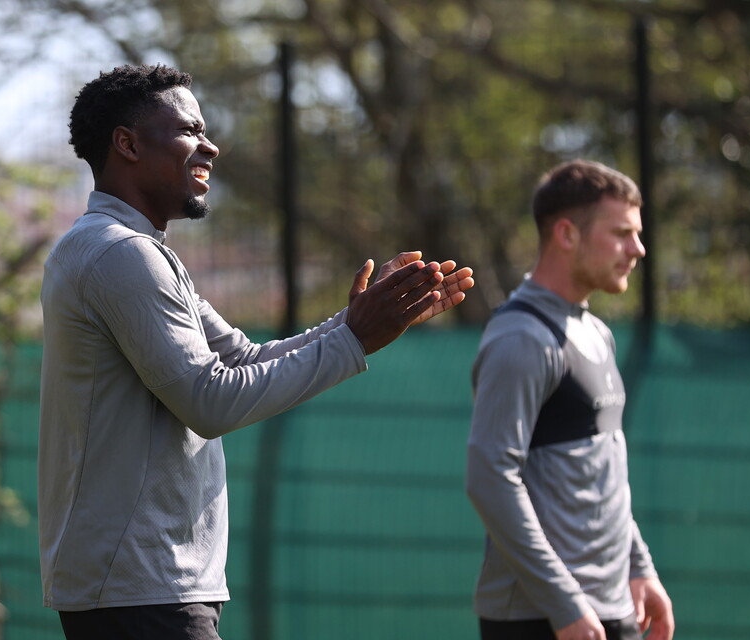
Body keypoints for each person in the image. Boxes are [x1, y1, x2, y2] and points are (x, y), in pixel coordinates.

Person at [38, 63, 474, 640]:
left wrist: (358, 322)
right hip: (139, 588)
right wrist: (354, 338)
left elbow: (242, 360)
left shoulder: (129, 249)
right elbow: (209, 400)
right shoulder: (120, 255)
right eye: (190, 130)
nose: (210, 146)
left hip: (141, 585)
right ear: (128, 144)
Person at [466, 159, 674, 640]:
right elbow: (489, 477)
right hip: (541, 618)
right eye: (621, 233)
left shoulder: (596, 332)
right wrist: (563, 606)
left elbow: (605, 470)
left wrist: (639, 567)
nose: (637, 249)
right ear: (566, 234)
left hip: (607, 607)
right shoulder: (521, 338)